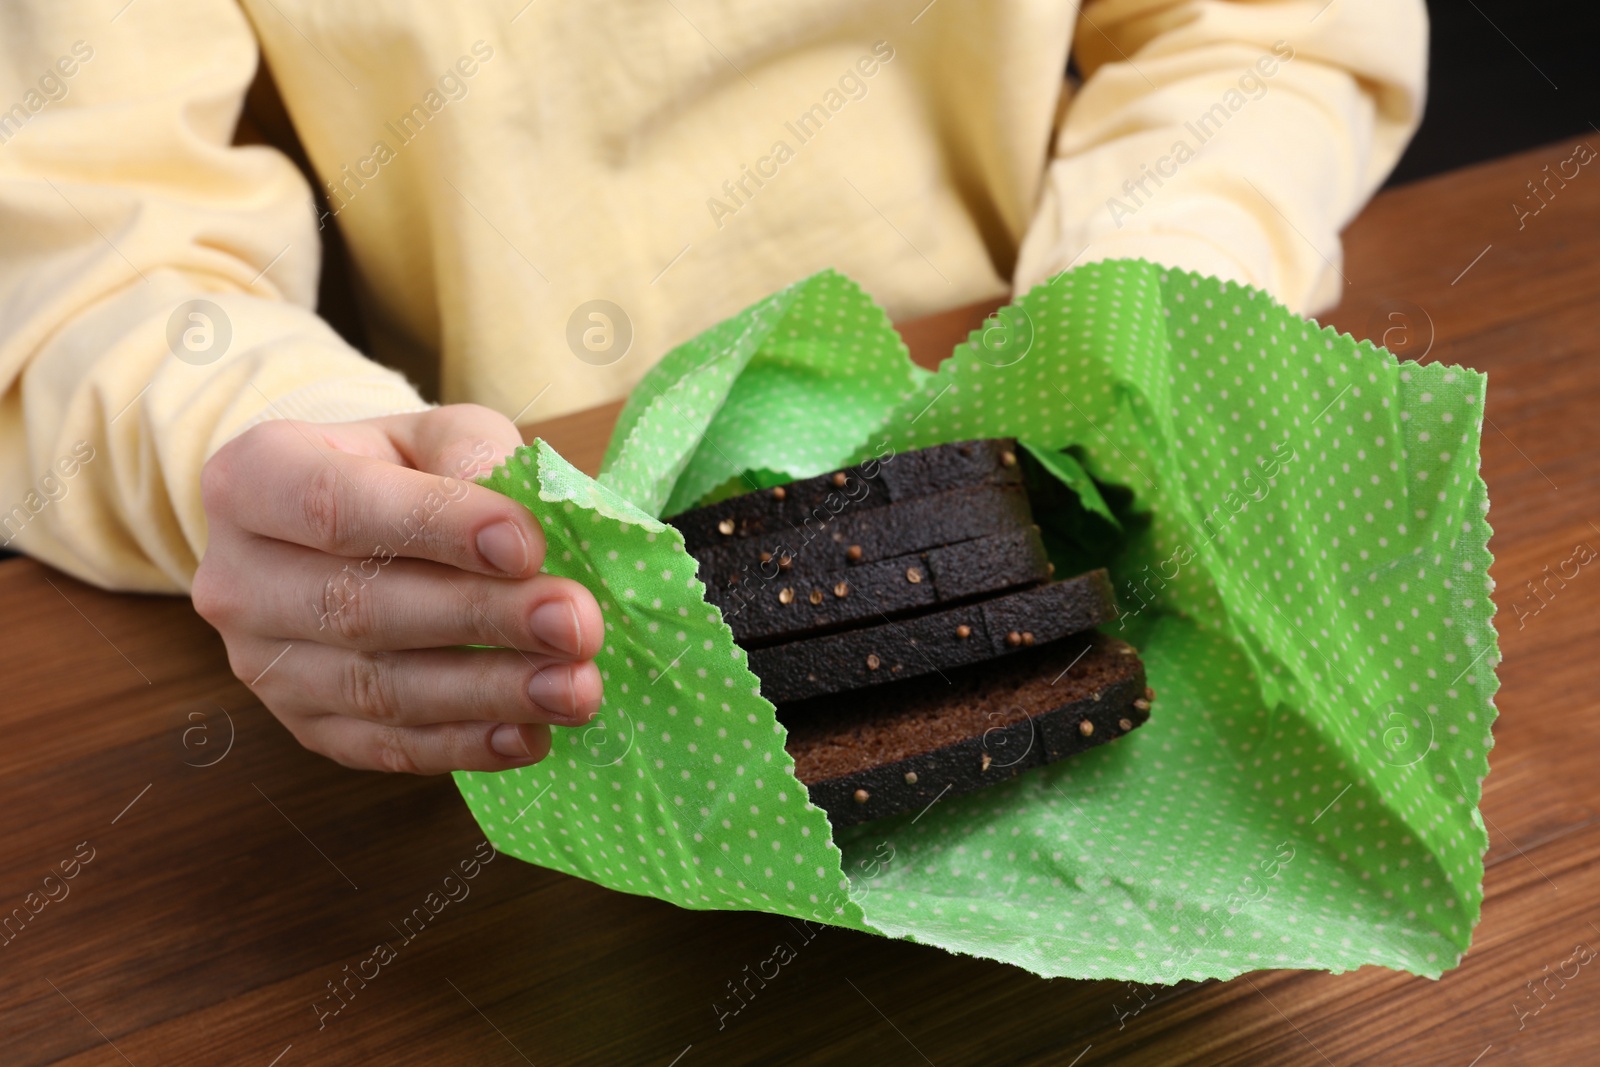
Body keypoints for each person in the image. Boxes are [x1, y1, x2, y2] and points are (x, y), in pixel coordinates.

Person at [0, 0, 1426, 774]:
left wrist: (1146, 301)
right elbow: (90, 245)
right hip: (531, 635)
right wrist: (283, 449)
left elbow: (1263, 25)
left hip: (1082, 495)